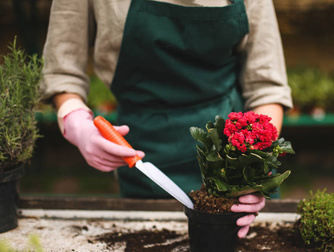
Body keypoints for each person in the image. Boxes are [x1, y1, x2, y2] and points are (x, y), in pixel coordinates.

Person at [42, 0, 293, 238]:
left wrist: (252, 168)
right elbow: (62, 71)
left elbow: (266, 89)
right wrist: (77, 122)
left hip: (228, 155)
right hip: (144, 156)